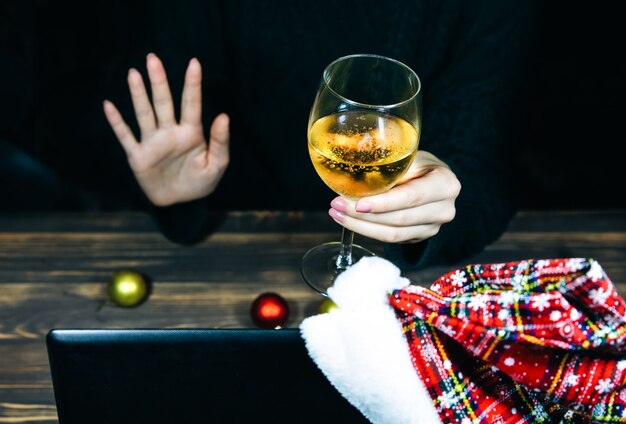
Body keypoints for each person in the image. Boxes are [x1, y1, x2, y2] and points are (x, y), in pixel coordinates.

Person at [2, 1, 538, 271]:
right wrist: (178, 196)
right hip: (237, 248)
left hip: (396, 276)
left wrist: (438, 210)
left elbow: (482, 163)